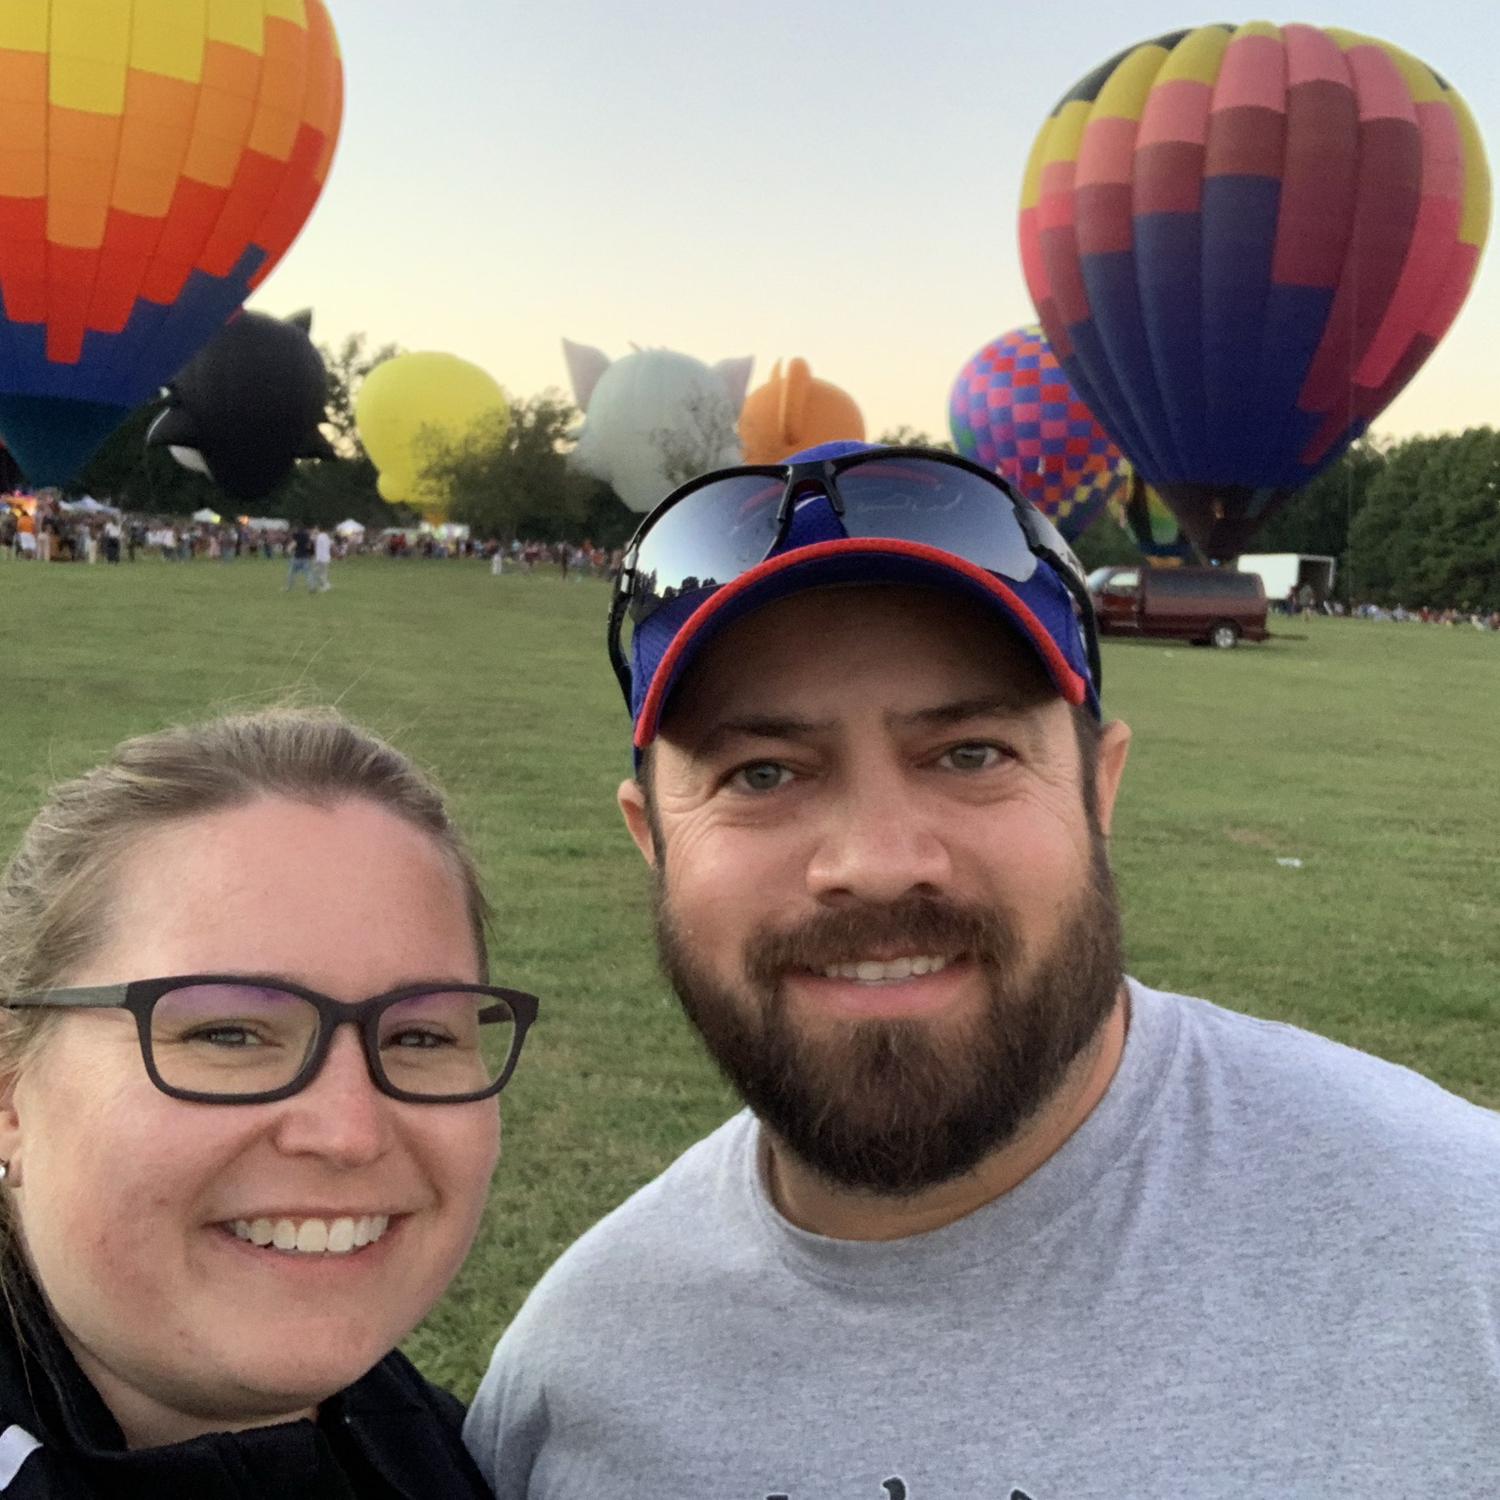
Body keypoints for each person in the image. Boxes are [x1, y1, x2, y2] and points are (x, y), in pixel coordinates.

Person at [465, 442, 1500, 1497]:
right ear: (654, 842)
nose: (877, 863)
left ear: (1100, 790)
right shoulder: (570, 1389)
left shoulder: (1469, 1251)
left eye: (971, 754)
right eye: (762, 773)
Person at [0, 707, 539, 1497]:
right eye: (228, 1033)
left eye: (419, 1036)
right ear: (10, 1095)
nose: (349, 1132)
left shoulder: (446, 1447)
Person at [286, 526, 314, 590]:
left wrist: (289, 552)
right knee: (308, 573)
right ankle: (312, 587)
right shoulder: (307, 539)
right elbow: (309, 548)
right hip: (305, 558)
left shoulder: (297, 538)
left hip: (297, 558)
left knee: (291, 573)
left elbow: (290, 548)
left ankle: (289, 587)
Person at [311, 527, 333, 592]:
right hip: (326, 558)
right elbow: (331, 544)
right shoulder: (326, 537)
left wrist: (314, 532)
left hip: (320, 558)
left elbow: (311, 538)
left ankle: (325, 586)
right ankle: (325, 584)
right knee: (323, 573)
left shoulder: (318, 536)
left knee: (318, 573)